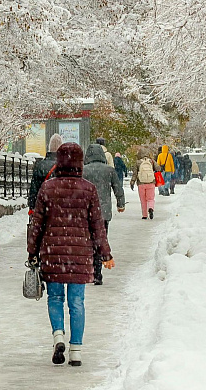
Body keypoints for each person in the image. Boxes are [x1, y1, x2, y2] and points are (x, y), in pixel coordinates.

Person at [28, 143, 115, 367]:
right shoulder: (88, 189)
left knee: (55, 298)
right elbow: (97, 225)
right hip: (80, 255)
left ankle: (58, 335)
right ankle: (75, 350)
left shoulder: (47, 188)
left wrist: (32, 251)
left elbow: (37, 224)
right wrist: (105, 254)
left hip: (53, 253)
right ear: (80, 162)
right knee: (77, 302)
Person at [83, 144, 125, 285]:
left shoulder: (83, 170)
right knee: (101, 240)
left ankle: (90, 270)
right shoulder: (109, 170)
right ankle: (98, 273)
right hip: (103, 212)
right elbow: (118, 188)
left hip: (87, 211)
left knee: (88, 241)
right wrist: (121, 203)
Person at [28, 134, 63, 212]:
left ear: (49, 147)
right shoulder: (64, 165)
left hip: (43, 209)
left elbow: (34, 190)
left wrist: (32, 208)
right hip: (59, 210)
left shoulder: (40, 166)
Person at [131, 147, 161, 219]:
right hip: (151, 182)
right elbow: (158, 169)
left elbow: (135, 174)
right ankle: (151, 208)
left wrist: (132, 182)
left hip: (141, 183)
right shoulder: (151, 161)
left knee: (143, 200)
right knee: (150, 198)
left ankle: (144, 215)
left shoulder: (138, 162)